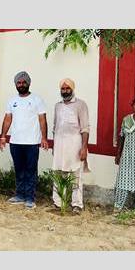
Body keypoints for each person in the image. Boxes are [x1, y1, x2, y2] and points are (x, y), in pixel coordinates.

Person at [0, 71, 48, 209]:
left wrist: (44, 138)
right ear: (15, 84)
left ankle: (30, 198)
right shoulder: (12, 101)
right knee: (19, 169)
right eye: (18, 83)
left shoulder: (37, 99)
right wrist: (3, 136)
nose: (21, 85)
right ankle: (20, 195)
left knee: (30, 170)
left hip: (32, 142)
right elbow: (8, 119)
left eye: (23, 82)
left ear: (28, 83)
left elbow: (42, 119)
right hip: (15, 141)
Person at [51, 78, 90, 213]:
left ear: (72, 89)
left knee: (75, 174)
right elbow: (55, 127)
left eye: (68, 88)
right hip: (59, 144)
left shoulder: (81, 105)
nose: (65, 91)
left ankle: (77, 204)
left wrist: (84, 148)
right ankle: (57, 202)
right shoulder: (58, 105)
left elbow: (85, 129)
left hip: (75, 144)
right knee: (58, 172)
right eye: (63, 89)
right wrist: (54, 146)